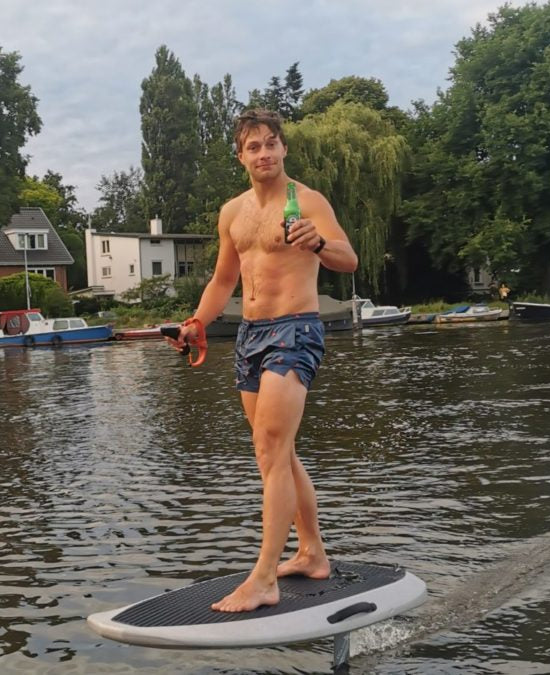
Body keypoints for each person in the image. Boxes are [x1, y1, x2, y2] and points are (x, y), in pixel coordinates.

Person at [166, 109, 358, 613]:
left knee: (271, 448)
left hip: (295, 330)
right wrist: (198, 322)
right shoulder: (232, 212)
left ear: (284, 149)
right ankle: (312, 553)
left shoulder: (308, 201)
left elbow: (348, 258)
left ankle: (265, 577)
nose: (264, 153)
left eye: (272, 143)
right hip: (250, 335)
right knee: (278, 455)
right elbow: (223, 280)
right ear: (240, 156)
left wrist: (319, 242)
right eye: (254, 146)